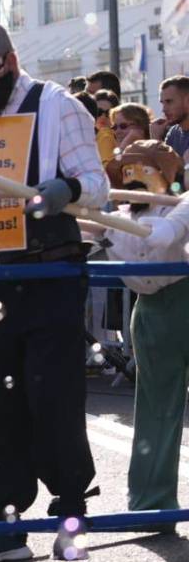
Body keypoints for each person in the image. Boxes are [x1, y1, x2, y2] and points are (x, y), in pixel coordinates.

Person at [0, 19, 108, 562]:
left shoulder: (56, 105)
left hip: (47, 274)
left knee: (54, 396)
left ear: (7, 62)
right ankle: (6, 523)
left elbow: (99, 184)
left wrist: (69, 189)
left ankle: (71, 515)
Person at [97, 143, 189, 521]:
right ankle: (152, 503)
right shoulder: (117, 213)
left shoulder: (182, 204)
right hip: (149, 310)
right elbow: (84, 232)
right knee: (155, 408)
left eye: (143, 168)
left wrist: (112, 222)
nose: (132, 175)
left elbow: (164, 236)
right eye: (128, 168)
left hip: (183, 297)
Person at [156, 75, 189, 156]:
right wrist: (156, 138)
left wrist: (156, 141)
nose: (163, 109)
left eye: (169, 102)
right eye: (162, 103)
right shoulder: (174, 132)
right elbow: (162, 166)